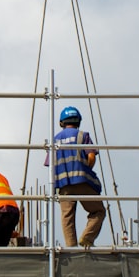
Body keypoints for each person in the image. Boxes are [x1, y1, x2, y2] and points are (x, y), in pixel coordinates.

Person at [46, 105, 105, 248]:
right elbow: (91, 156)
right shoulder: (82, 136)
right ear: (78, 121)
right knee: (98, 211)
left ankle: (71, 248)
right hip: (82, 181)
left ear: (61, 123)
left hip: (64, 185)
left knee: (67, 217)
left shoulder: (54, 141)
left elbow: (50, 165)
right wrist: (85, 170)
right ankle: (87, 238)